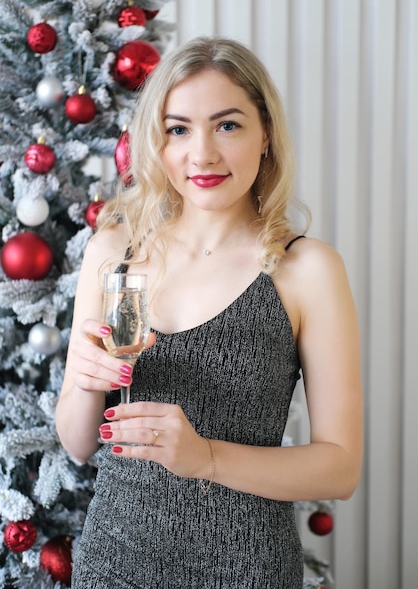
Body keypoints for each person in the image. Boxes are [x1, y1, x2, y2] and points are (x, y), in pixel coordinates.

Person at [55, 36, 363, 589]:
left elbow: (340, 468)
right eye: (178, 129)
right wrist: (81, 378)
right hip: (115, 561)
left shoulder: (306, 269)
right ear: (158, 141)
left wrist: (205, 458)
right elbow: (78, 445)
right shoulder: (116, 253)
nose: (202, 155)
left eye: (227, 125)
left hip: (247, 568)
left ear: (265, 134)